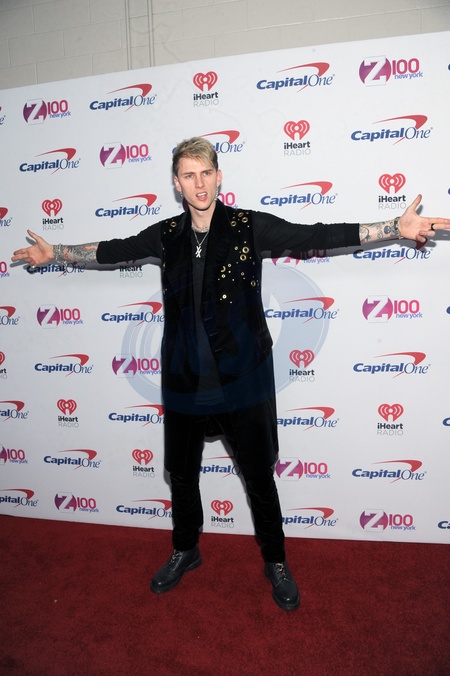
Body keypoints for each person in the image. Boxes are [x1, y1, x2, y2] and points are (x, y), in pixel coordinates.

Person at [12, 137, 450, 611]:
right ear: (177, 184)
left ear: (219, 177)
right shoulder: (166, 235)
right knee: (182, 475)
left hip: (243, 381)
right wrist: (56, 252)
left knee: (259, 477)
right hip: (185, 382)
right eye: (189, 175)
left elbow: (316, 234)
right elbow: (112, 249)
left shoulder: (249, 227)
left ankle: (276, 560)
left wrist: (394, 228)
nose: (199, 184)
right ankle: (186, 549)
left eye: (206, 173)